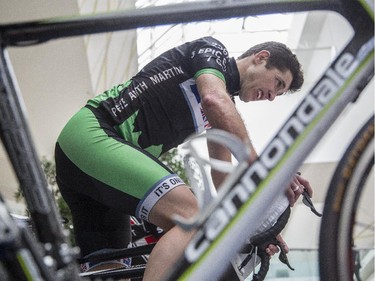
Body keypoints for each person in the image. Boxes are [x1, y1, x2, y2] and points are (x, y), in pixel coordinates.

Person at [55, 36, 312, 280]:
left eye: (278, 94)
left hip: (98, 176)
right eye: (277, 83)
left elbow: (223, 178)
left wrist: (259, 228)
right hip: (94, 133)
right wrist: (264, 167)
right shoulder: (213, 53)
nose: (271, 96)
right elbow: (213, 99)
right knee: (193, 221)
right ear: (260, 58)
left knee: (112, 270)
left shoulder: (225, 107)